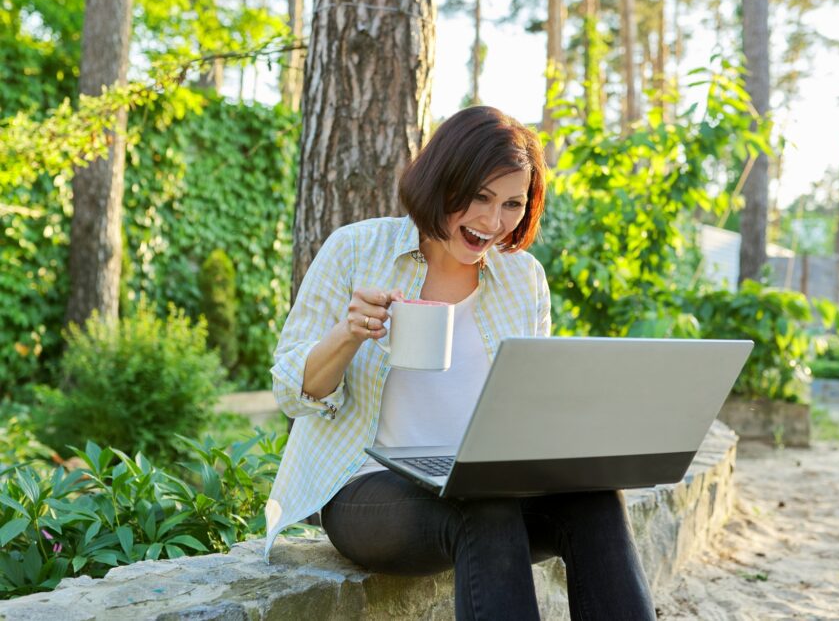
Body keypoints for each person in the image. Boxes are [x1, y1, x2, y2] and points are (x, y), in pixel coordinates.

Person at [264, 106, 656, 620]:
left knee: (597, 501)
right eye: (479, 197)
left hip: (482, 479)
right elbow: (292, 391)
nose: (493, 223)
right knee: (483, 508)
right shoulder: (356, 249)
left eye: (512, 204)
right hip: (366, 489)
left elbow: (532, 405)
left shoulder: (524, 278)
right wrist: (349, 332)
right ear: (441, 180)